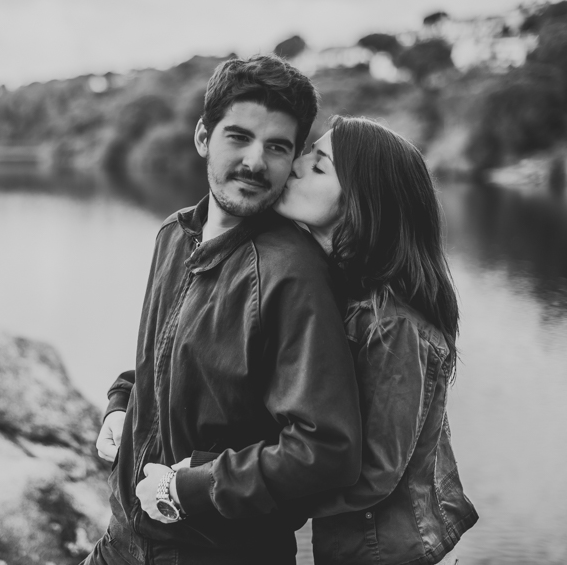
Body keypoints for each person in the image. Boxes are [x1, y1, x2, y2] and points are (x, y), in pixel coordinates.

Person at [83, 54, 362, 565]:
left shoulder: (290, 272)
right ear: (203, 138)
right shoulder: (173, 234)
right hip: (122, 541)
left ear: (294, 156)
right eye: (239, 136)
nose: (256, 162)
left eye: (277, 147)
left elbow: (326, 450)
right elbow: (169, 357)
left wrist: (191, 487)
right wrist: (123, 402)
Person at [274, 116, 479, 564]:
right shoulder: (335, 291)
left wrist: (262, 499)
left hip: (386, 551)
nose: (295, 162)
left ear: (360, 204)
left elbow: (375, 473)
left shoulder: (394, 325)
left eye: (319, 164)